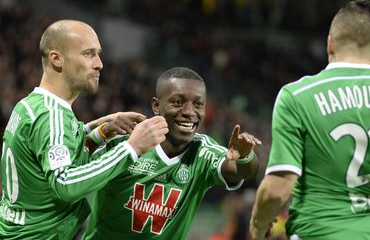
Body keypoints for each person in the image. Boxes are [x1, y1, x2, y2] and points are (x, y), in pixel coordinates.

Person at [250, 0, 370, 240]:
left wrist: (258, 223)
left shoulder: (296, 96)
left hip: (316, 233)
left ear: (329, 44)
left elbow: (277, 189)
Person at [0, 19, 169, 239]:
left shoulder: (29, 106)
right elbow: (65, 183)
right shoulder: (52, 115)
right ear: (56, 58)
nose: (99, 63)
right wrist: (131, 148)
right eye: (89, 54)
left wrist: (98, 133)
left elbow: (50, 150)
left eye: (99, 54)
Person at [81, 67, 262, 239]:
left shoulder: (203, 152)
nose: (190, 112)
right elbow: (72, 174)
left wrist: (245, 156)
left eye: (198, 104)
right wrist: (96, 133)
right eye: (178, 102)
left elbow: (240, 170)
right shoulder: (126, 140)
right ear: (156, 105)